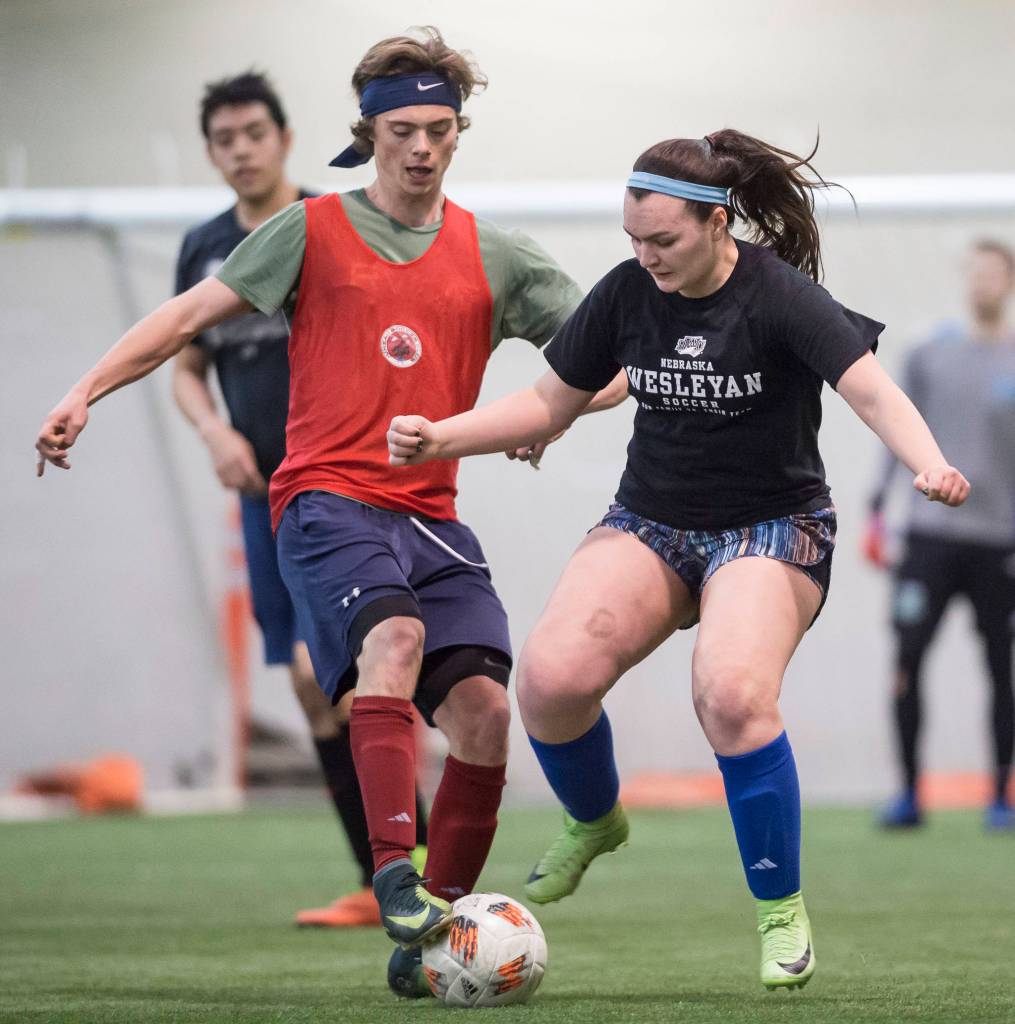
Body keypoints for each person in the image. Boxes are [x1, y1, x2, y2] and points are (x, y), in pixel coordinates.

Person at [35, 27, 624, 997]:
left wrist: (552, 414)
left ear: (456, 131)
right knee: (390, 638)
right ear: (369, 132)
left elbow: (605, 367)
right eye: (403, 130)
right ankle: (392, 875)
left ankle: (425, 934)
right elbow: (183, 323)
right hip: (322, 498)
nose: (423, 147)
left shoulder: (497, 255)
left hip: (432, 515)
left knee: (482, 715)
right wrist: (83, 391)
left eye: (440, 128)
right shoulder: (309, 232)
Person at [386, 131, 970, 991]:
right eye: (633, 240)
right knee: (548, 680)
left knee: (730, 693)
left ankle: (779, 911)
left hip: (770, 527)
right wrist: (445, 434)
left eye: (662, 241)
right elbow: (549, 402)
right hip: (653, 521)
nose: (644, 257)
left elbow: (870, 391)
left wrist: (927, 461)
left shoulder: (780, 297)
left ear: (716, 222)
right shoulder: (627, 295)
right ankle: (595, 820)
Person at [171, 69, 429, 928]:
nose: (241, 150)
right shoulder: (204, 248)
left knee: (356, 678)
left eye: (254, 133)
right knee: (310, 687)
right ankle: (378, 878)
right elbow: (187, 368)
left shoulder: (332, 227)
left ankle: (419, 870)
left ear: (283, 139)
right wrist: (215, 433)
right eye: (224, 139)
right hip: (266, 496)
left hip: (350, 487)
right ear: (211, 154)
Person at [863, 239, 1015, 831]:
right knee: (907, 659)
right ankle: (908, 794)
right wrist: (878, 511)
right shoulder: (931, 353)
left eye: (994, 273)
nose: (982, 282)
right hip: (928, 535)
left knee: (1001, 669)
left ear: (1007, 282)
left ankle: (1001, 794)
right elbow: (893, 426)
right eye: (974, 272)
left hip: (999, 540)